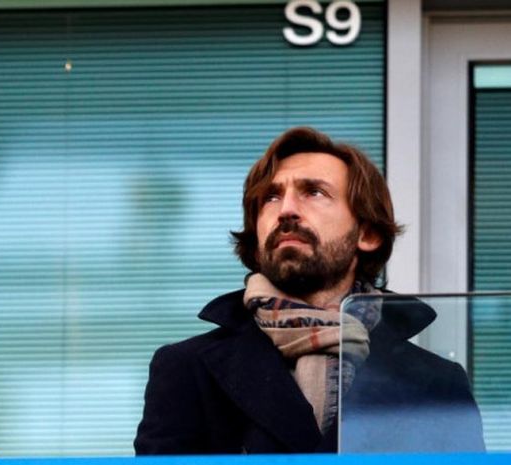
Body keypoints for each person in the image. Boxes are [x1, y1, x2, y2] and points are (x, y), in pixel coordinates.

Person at [134, 127, 485, 454]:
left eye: (314, 192)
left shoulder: (437, 383)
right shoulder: (186, 368)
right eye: (271, 197)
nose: (286, 210)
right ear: (256, 244)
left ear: (367, 234)